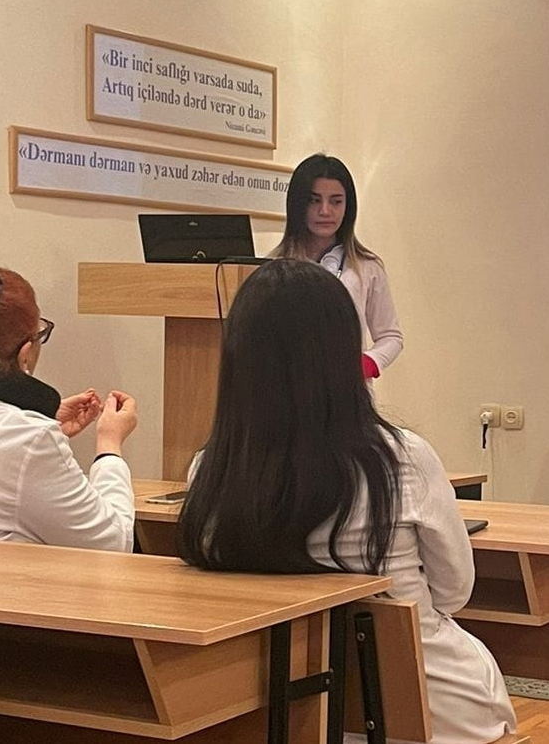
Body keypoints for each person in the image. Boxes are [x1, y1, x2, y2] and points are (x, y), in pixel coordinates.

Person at [178, 260, 516, 744]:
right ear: (342, 354)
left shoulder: (210, 470)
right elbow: (453, 593)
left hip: (273, 717)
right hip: (427, 713)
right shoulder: (404, 459)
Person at [0, 267, 138, 551]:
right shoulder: (27, 438)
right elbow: (113, 543)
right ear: (24, 354)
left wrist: (45, 426)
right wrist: (109, 447)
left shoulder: (22, 435)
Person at [271, 154, 403, 379]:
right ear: (297, 205)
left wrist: (368, 363)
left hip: (349, 389)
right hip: (291, 387)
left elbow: (391, 336)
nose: (325, 211)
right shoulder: (274, 268)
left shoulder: (367, 268)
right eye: (314, 200)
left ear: (348, 206)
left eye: (336, 201)